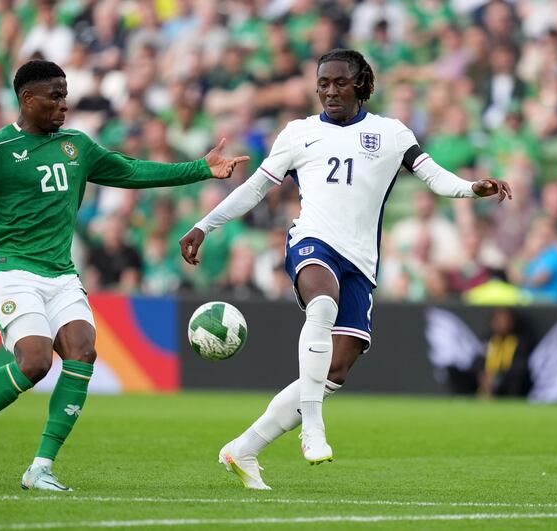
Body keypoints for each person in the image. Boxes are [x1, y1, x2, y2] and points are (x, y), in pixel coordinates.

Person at [0, 60, 248, 491]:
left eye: (65, 94)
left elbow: (130, 171)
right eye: (54, 96)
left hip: (60, 272)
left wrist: (200, 169)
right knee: (36, 362)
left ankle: (40, 467)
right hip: (11, 268)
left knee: (82, 351)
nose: (64, 103)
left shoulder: (77, 145)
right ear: (27, 99)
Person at [179, 49, 511, 490]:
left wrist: (473, 188)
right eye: (323, 84)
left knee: (335, 370)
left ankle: (242, 449)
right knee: (322, 304)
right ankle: (312, 426)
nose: (330, 91)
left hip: (360, 261)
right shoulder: (298, 133)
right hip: (312, 242)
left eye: (339, 82)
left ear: (362, 85)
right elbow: (256, 188)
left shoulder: (391, 133)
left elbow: (433, 177)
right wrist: (205, 225)